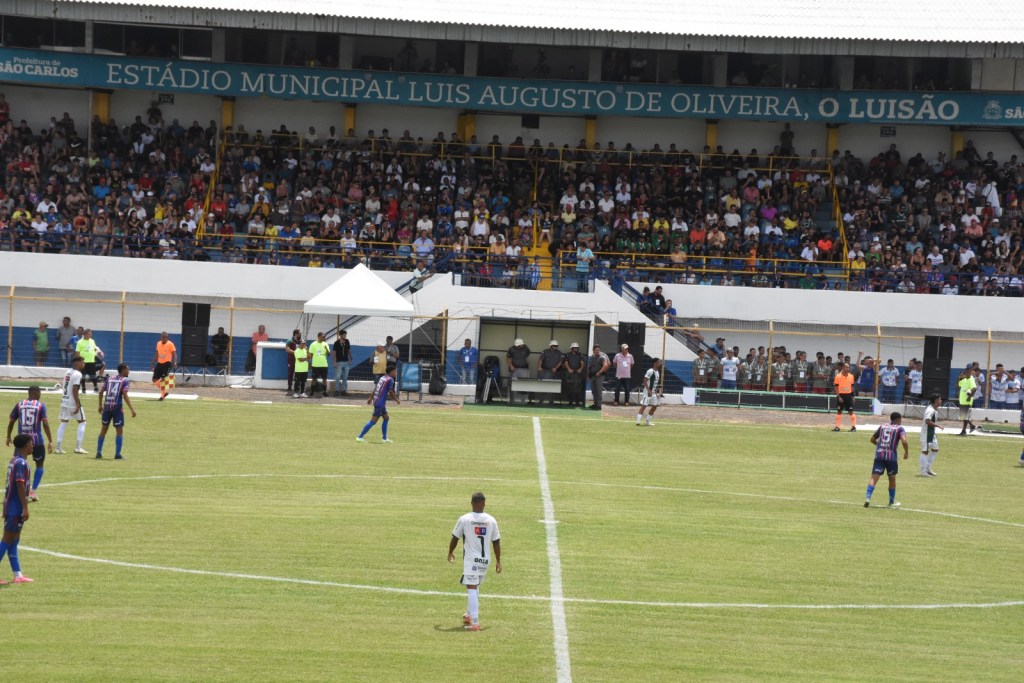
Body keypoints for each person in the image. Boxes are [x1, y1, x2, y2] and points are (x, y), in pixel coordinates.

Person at [447, 491, 501, 631]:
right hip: (485, 560)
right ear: (484, 504)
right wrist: (498, 561)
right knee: (475, 585)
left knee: (471, 587)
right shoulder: (491, 520)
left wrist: (450, 552)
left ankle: (475, 623)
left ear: (471, 503)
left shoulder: (464, 519)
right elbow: (496, 542)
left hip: (471, 559)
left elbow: (455, 538)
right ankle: (469, 614)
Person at [6, 386, 53, 501]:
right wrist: (50, 440)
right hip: (37, 441)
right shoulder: (40, 406)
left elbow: (11, 421)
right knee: (40, 465)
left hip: (21, 441)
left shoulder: (19, 404)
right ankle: (32, 491)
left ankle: (15, 491)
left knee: (17, 466)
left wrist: (8, 436)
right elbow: (45, 423)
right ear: (36, 393)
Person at [0, 434, 34, 584]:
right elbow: (19, 485)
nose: (33, 445)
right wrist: (25, 508)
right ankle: (17, 574)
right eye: (31, 443)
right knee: (7, 540)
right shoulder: (20, 462)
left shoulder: (15, 460)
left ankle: (18, 574)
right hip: (15, 508)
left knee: (14, 541)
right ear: (25, 446)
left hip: (14, 507)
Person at [864, 412, 909, 508]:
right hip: (891, 457)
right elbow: (904, 440)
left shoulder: (882, 426)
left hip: (879, 455)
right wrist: (906, 452)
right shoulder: (900, 428)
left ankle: (867, 498)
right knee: (892, 479)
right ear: (899, 419)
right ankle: (891, 502)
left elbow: (872, 439)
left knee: (874, 477)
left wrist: (880, 445)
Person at [96, 363, 136, 460]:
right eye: (127, 369)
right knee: (119, 431)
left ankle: (98, 453)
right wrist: (132, 409)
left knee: (103, 430)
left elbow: (101, 392)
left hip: (107, 407)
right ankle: (117, 454)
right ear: (123, 370)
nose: (128, 371)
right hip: (117, 408)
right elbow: (125, 395)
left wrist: (100, 405)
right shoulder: (125, 380)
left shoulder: (109, 379)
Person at [356, 362, 399, 443]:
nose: (396, 373)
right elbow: (391, 392)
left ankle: (384, 438)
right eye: (395, 371)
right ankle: (360, 437)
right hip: (380, 403)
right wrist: (396, 400)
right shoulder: (390, 380)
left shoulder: (383, 377)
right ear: (391, 372)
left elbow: (376, 388)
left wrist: (371, 398)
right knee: (373, 421)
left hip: (377, 400)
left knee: (386, 418)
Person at [55, 356, 88, 454]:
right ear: (77, 363)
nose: (83, 364)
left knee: (64, 422)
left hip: (64, 400)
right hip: (72, 402)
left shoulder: (68, 372)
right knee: (82, 422)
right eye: (82, 362)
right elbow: (75, 389)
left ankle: (58, 448)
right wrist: (77, 404)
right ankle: (78, 447)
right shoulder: (78, 374)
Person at [920, 394, 943, 477]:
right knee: (925, 451)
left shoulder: (934, 409)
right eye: (940, 400)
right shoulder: (930, 410)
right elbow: (927, 421)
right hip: (926, 433)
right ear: (936, 401)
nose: (941, 401)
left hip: (932, 433)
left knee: (935, 449)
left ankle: (928, 469)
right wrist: (938, 426)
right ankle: (923, 471)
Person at [537, 340, 565, 405]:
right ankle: (541, 401)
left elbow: (560, 362)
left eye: (557, 346)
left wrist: (556, 368)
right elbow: (540, 360)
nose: (556, 347)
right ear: (551, 346)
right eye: (555, 346)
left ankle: (551, 401)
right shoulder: (545, 352)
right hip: (546, 371)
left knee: (553, 387)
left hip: (555, 372)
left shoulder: (559, 352)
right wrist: (539, 367)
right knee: (544, 386)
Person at [75, 329, 103, 393]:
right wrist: (78, 361)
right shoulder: (80, 342)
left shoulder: (92, 341)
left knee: (93, 375)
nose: (91, 335)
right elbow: (77, 352)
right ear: (85, 334)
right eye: (89, 334)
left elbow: (95, 348)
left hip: (91, 361)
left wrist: (100, 352)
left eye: (91, 334)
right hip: (83, 362)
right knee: (83, 376)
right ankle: (83, 388)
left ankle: (95, 387)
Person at [151, 330, 177, 400]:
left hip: (167, 364)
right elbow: (157, 354)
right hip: (159, 363)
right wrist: (153, 362)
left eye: (166, 337)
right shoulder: (158, 343)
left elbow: (174, 354)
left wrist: (175, 362)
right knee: (154, 379)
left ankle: (162, 396)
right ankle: (165, 392)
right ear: (161, 337)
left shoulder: (170, 344)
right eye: (163, 337)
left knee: (163, 380)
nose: (165, 338)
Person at [637, 358, 662, 426]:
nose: (660, 364)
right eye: (658, 362)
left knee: (655, 406)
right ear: (654, 363)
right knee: (644, 405)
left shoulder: (657, 372)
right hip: (647, 392)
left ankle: (647, 422)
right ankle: (638, 422)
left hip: (653, 392)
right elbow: (645, 380)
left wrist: (656, 393)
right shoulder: (650, 371)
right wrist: (648, 390)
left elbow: (655, 384)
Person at [833, 362, 857, 432]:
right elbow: (836, 387)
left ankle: (854, 427)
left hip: (848, 396)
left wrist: (853, 396)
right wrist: (839, 396)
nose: (848, 368)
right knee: (839, 411)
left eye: (848, 367)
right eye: (846, 367)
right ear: (843, 368)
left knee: (851, 411)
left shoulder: (851, 376)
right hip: (841, 395)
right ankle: (837, 427)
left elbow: (852, 387)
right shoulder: (838, 376)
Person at [506, 338, 531, 405]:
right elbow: (508, 358)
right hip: (514, 369)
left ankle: (523, 401)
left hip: (524, 369)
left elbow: (527, 355)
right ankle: (512, 401)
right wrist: (511, 366)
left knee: (523, 384)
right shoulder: (511, 349)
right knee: (513, 384)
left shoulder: (526, 348)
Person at [587, 343, 610, 410]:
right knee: (593, 390)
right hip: (592, 376)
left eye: (598, 350)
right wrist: (588, 376)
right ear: (593, 350)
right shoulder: (592, 357)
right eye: (596, 350)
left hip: (599, 376)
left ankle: (599, 405)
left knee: (598, 390)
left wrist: (599, 372)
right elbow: (589, 367)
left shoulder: (602, 357)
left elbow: (605, 365)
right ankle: (595, 404)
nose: (597, 351)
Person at [563, 342, 586, 407]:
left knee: (577, 389)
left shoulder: (580, 355)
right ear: (572, 348)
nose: (576, 349)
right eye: (575, 348)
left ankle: (577, 402)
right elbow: (566, 362)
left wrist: (580, 369)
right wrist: (569, 369)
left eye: (577, 348)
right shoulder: (567, 355)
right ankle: (570, 402)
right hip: (569, 374)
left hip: (577, 374)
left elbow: (582, 363)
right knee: (569, 388)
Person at [308, 332, 330, 398]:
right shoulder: (313, 344)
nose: (324, 338)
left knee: (324, 379)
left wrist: (326, 349)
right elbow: (310, 355)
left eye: (324, 337)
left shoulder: (325, 344)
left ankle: (324, 392)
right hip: (316, 365)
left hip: (324, 365)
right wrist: (309, 363)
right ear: (319, 337)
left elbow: (329, 354)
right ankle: (312, 391)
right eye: (323, 337)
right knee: (314, 379)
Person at [957, 367, 978, 435]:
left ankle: (964, 430)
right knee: (963, 416)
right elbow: (959, 384)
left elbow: (974, 388)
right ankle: (972, 426)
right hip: (962, 400)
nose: (966, 373)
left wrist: (970, 396)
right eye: (966, 372)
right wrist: (960, 377)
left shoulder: (971, 379)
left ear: (971, 373)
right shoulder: (965, 379)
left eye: (968, 372)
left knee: (964, 416)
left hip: (967, 400)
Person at [332, 329, 351, 396]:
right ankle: (336, 390)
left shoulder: (347, 341)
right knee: (338, 377)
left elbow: (349, 350)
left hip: (346, 361)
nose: (345, 336)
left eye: (345, 334)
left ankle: (343, 391)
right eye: (344, 334)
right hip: (339, 362)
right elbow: (334, 353)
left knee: (345, 377)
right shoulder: (336, 343)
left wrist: (350, 358)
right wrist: (334, 362)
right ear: (340, 335)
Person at [284, 329, 302, 395]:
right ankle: (289, 386)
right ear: (296, 334)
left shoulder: (301, 342)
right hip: (291, 360)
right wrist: (295, 352)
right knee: (290, 373)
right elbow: (287, 349)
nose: (300, 335)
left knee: (298, 373)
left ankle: (297, 386)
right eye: (299, 334)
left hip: (299, 360)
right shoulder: (290, 341)